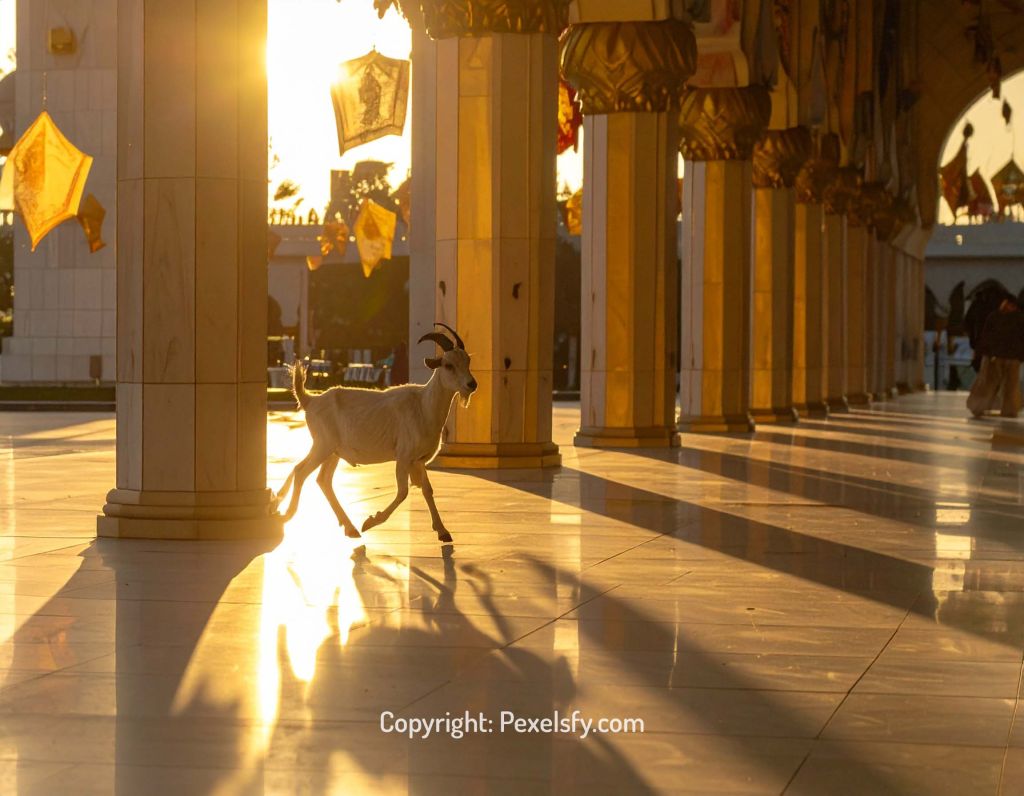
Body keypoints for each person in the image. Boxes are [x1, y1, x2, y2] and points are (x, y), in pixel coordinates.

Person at [967, 296, 1024, 418]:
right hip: (1009, 356)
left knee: (988, 382)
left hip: (996, 356)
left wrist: (983, 352)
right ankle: (1009, 409)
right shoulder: (1019, 318)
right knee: (1010, 385)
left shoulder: (995, 317)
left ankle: (979, 406)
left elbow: (986, 336)